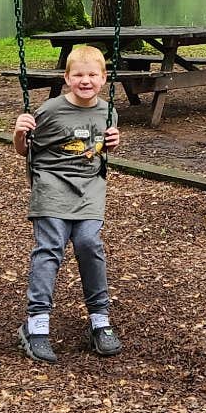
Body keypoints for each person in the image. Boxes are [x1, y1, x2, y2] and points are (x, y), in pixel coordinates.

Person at [12, 43, 124, 363]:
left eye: (92, 75)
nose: (85, 80)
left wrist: (113, 145)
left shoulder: (108, 111)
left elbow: (100, 149)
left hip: (88, 187)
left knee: (89, 242)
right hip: (51, 184)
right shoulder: (49, 111)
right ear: (67, 77)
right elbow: (25, 150)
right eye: (78, 75)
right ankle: (37, 326)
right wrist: (19, 134)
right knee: (52, 246)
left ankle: (100, 321)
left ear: (103, 78)